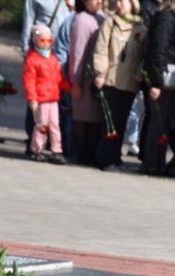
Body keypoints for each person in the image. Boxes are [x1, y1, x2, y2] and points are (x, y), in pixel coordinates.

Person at [92, 0, 145, 170]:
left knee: (121, 122)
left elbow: (145, 54)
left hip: (129, 82)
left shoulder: (141, 27)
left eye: (123, 1)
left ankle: (116, 158)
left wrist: (141, 70)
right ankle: (106, 159)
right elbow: (100, 49)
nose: (119, 4)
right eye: (118, 1)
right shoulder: (110, 23)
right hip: (111, 80)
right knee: (110, 122)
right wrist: (99, 73)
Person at [143, 0, 175, 175]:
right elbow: (158, 50)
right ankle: (153, 164)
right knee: (159, 123)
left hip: (166, 79)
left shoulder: (170, 18)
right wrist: (156, 82)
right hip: (164, 80)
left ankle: (157, 163)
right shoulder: (166, 18)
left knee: (163, 123)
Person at [68, 0, 106, 165]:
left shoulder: (101, 17)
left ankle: (90, 153)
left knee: (95, 119)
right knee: (83, 118)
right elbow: (78, 53)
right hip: (84, 78)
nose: (99, 1)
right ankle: (82, 154)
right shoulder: (82, 20)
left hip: (96, 80)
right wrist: (76, 81)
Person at [23, 23, 68, 162]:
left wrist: (69, 87)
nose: (46, 44)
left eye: (49, 41)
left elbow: (59, 78)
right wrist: (32, 99)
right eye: (42, 40)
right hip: (41, 99)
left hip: (53, 98)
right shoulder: (32, 60)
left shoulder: (52, 58)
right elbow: (29, 82)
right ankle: (36, 149)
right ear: (35, 40)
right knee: (41, 124)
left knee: (55, 124)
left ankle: (56, 150)